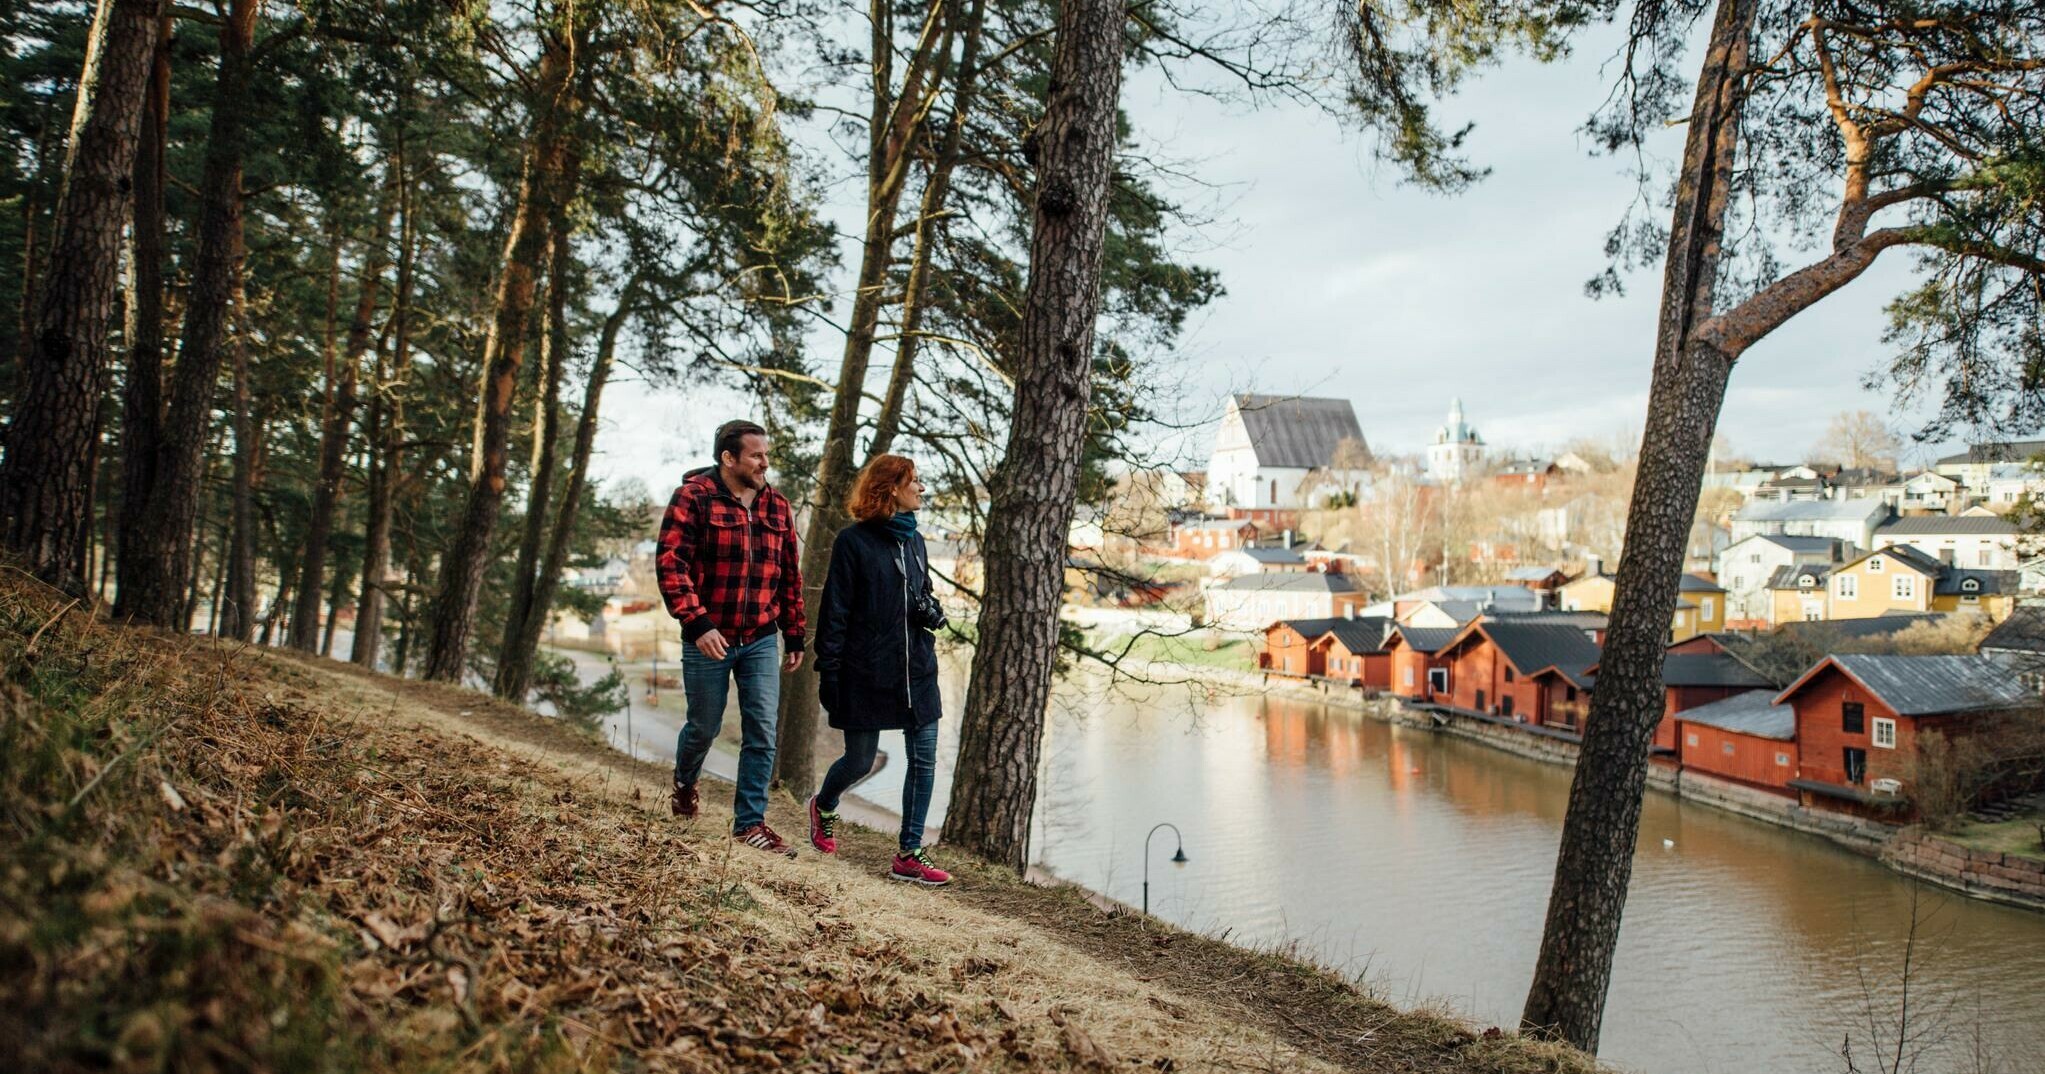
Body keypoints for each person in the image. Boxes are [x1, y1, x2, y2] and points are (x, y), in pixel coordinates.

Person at [655, 420, 805, 855]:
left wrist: (794, 633)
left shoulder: (778, 506)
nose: (765, 463)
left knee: (762, 728)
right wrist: (697, 623)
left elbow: (790, 576)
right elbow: (671, 564)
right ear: (729, 457)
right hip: (709, 635)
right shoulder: (693, 498)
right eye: (756, 455)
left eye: (766, 455)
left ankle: (750, 824)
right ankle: (685, 782)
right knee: (704, 726)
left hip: (760, 635)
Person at [806, 454, 952, 885]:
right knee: (860, 760)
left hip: (918, 670)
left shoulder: (917, 541)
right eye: (915, 481)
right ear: (891, 489)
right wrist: (828, 671)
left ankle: (909, 854)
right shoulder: (853, 543)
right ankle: (824, 804)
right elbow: (835, 612)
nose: (922, 488)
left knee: (923, 760)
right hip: (867, 670)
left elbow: (921, 594)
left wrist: (932, 610)